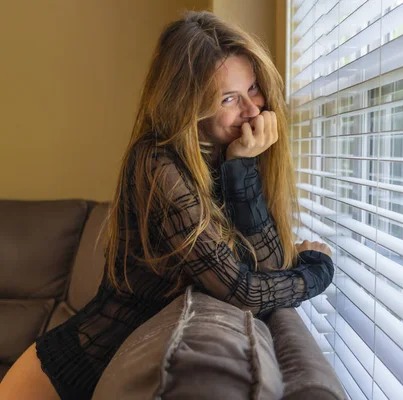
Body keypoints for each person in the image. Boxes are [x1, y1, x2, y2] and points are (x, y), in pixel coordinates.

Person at [0, 10, 334, 400]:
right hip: (61, 374)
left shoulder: (223, 161)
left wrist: (241, 168)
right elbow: (244, 290)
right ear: (190, 106)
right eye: (229, 98)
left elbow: (269, 269)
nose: (253, 110)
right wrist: (317, 273)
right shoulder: (156, 163)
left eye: (254, 88)